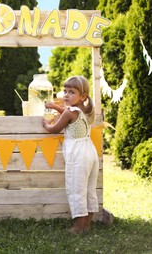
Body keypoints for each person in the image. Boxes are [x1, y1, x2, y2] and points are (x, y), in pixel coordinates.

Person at [42, 76, 99, 234]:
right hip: (90, 151)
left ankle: (78, 227)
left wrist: (46, 123)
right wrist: (56, 106)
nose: (66, 95)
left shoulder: (70, 112)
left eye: (71, 92)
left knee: (76, 189)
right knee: (89, 189)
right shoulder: (84, 110)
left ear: (83, 96)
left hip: (78, 154)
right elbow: (68, 114)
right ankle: (87, 225)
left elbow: (54, 129)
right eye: (65, 91)